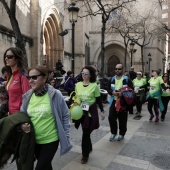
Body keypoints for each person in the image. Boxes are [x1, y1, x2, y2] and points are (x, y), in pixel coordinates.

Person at [20, 65, 72, 170]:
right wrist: (22, 125)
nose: (30, 81)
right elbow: (22, 116)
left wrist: (65, 135)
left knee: (40, 168)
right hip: (34, 140)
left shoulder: (55, 94)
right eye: (29, 78)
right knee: (46, 166)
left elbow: (65, 115)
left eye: (34, 77)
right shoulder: (27, 96)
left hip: (50, 140)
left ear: (44, 78)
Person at [74, 65, 105, 164]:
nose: (84, 75)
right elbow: (76, 97)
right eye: (82, 73)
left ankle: (86, 153)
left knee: (86, 133)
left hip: (91, 113)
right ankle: (87, 151)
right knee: (85, 133)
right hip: (81, 113)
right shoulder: (78, 85)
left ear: (90, 75)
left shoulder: (94, 86)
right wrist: (75, 102)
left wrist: (102, 111)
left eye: (86, 73)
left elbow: (99, 99)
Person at [108, 64, 133, 142]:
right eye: (116, 69)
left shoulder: (127, 79)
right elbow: (108, 89)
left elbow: (131, 91)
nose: (117, 70)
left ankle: (122, 134)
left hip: (123, 102)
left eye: (119, 69)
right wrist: (112, 92)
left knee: (122, 119)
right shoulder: (112, 79)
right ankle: (113, 133)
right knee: (111, 117)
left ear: (122, 69)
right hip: (114, 101)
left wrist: (122, 94)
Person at [3, 47, 30, 115]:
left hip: (19, 115)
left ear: (17, 59)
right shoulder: (10, 76)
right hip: (11, 114)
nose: (6, 58)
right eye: (6, 56)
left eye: (10, 57)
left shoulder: (23, 77)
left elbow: (27, 98)